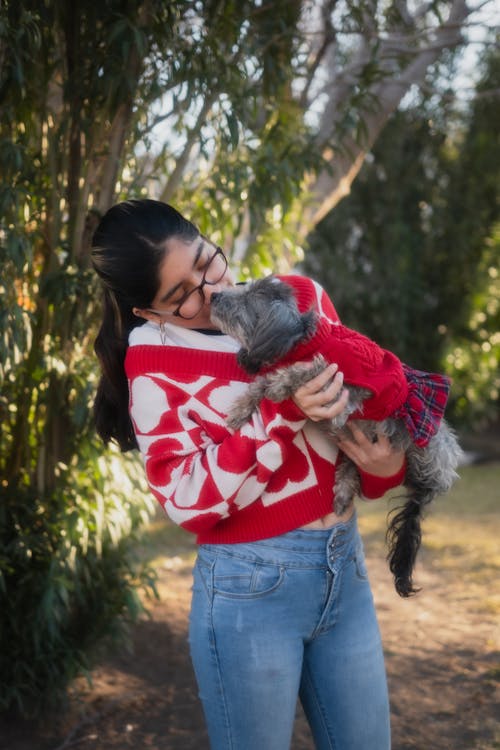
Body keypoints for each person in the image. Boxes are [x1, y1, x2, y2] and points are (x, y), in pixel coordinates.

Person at [91, 198, 406, 750]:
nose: (209, 292)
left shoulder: (297, 299)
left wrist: (385, 469)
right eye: (180, 295)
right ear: (147, 313)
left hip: (344, 568)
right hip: (249, 590)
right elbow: (186, 499)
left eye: (206, 263)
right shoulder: (152, 364)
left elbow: (362, 419)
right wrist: (281, 410)